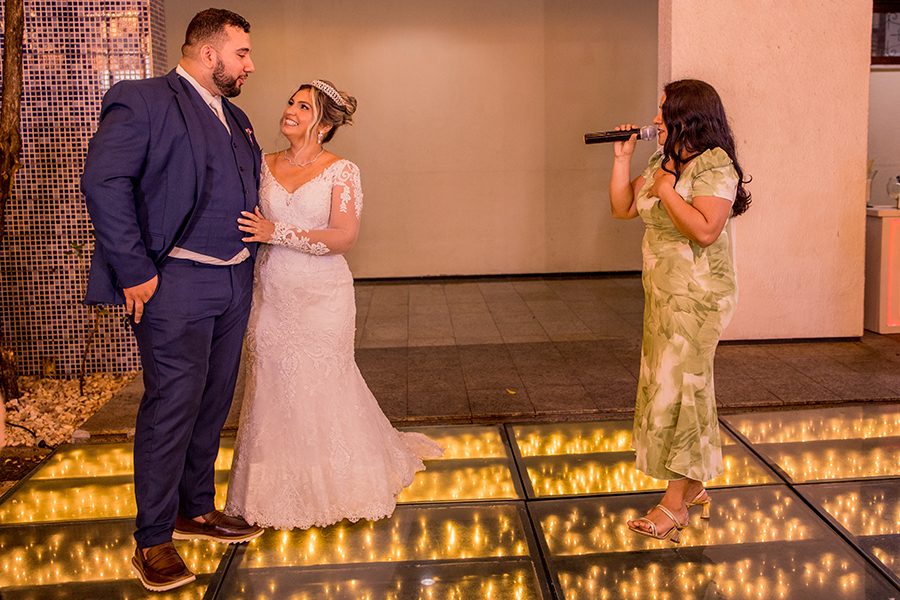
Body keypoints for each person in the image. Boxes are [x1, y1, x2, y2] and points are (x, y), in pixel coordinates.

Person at [81, 8, 264, 592]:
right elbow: (103, 182)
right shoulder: (142, 99)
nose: (250, 65)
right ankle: (153, 539)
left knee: (213, 402)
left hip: (234, 280)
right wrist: (134, 269)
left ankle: (196, 509)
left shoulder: (235, 117)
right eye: (242, 54)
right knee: (171, 407)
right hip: (173, 282)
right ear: (208, 54)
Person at [224, 80, 444, 531]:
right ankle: (275, 487)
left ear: (323, 125)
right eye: (290, 102)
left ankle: (338, 483)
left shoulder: (341, 171)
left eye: (303, 107)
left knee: (322, 382)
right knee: (271, 383)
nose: (290, 110)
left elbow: (344, 236)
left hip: (323, 296)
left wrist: (277, 232)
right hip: (271, 294)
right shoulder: (259, 163)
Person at [608, 79, 751, 543]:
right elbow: (623, 208)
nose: (654, 119)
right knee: (668, 384)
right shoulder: (662, 161)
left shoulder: (714, 164)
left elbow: (707, 230)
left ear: (688, 117)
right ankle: (694, 483)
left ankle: (674, 506)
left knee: (681, 390)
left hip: (700, 297)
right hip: (664, 295)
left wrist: (668, 190)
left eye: (663, 110)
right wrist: (622, 160)